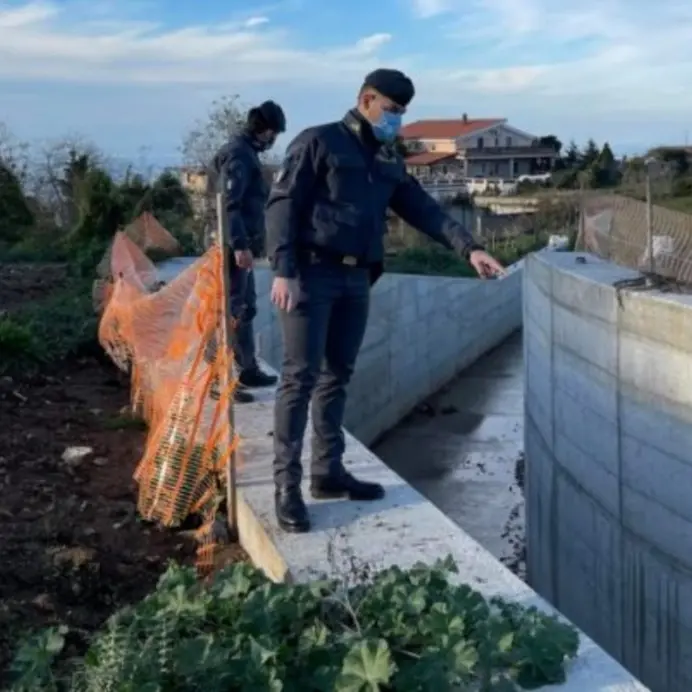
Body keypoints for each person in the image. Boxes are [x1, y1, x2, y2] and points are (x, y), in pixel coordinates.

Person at [264, 69, 505, 533]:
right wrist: (283, 269)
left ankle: (328, 472)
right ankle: (286, 487)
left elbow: (422, 209)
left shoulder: (387, 158)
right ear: (366, 99)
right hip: (310, 276)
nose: (396, 120)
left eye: (401, 114)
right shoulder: (319, 142)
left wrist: (469, 247)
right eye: (392, 111)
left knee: (338, 377)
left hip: (357, 279)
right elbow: (283, 205)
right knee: (300, 377)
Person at [207, 100, 287, 403]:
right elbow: (230, 204)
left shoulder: (245, 152)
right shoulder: (239, 155)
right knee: (229, 312)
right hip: (231, 248)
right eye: (274, 134)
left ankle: (247, 368)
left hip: (240, 246)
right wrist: (239, 245)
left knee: (245, 308)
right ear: (265, 130)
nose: (273, 140)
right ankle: (219, 379)